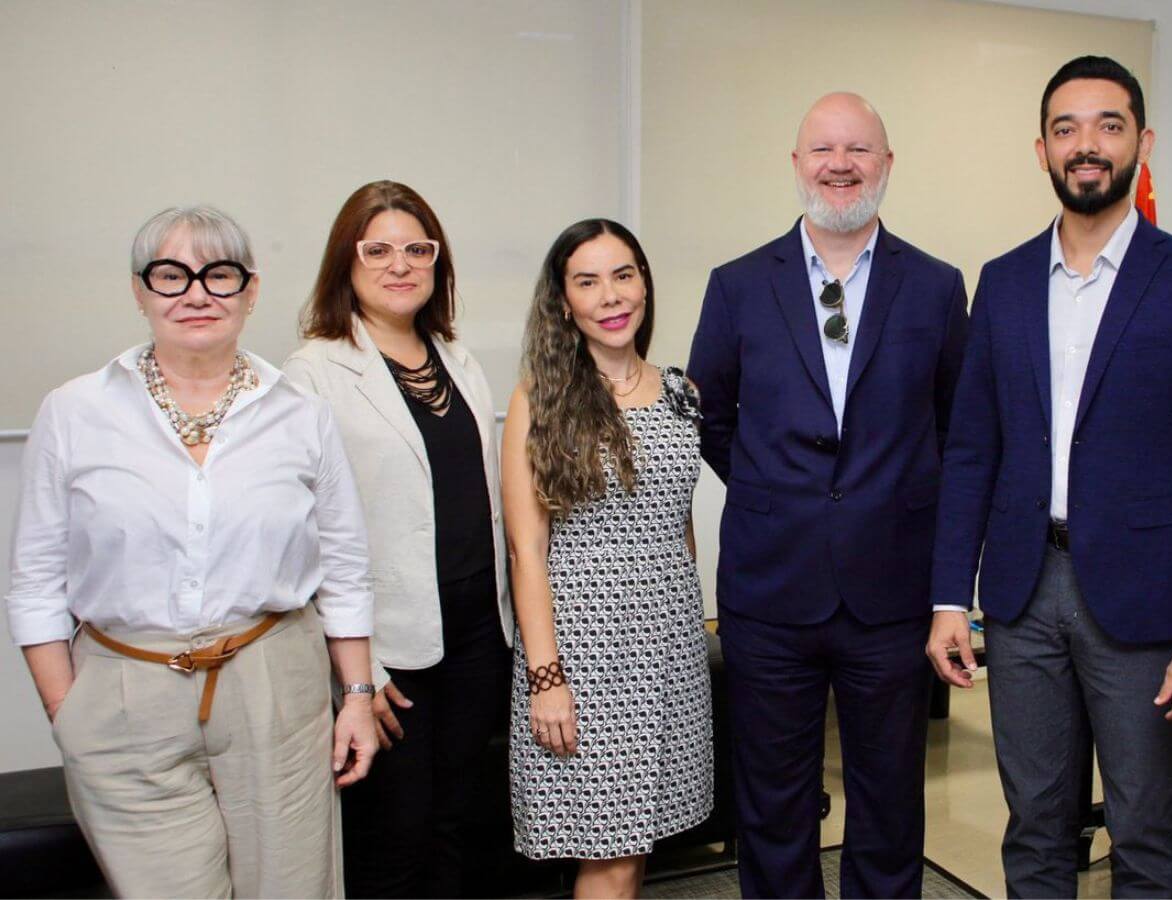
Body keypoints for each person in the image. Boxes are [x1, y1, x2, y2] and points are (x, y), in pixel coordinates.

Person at [927, 56, 1172, 897]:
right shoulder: (1001, 284)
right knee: (1034, 824)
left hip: (1148, 609)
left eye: (1108, 126)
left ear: (1142, 142)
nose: (1087, 146)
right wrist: (946, 600)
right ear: (1040, 148)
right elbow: (972, 452)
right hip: (1021, 592)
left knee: (1146, 833)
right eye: (1067, 129)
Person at [5, 205, 379, 898]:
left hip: (275, 683)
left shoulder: (300, 414)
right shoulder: (76, 410)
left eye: (220, 274)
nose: (197, 293)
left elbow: (346, 567)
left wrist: (356, 695)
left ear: (251, 289)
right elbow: (34, 581)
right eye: (171, 276)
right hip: (124, 685)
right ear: (140, 291)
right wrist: (69, 708)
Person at [688, 92, 970, 899]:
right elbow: (711, 416)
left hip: (892, 596)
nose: (840, 165)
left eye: (858, 149)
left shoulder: (936, 287)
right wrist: (783, 496)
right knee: (773, 805)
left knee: (889, 804)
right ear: (796, 164)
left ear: (886, 163)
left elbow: (958, 431)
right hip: (769, 594)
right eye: (822, 150)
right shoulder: (739, 285)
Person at [283, 180, 512, 898]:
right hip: (389, 648)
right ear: (344, 264)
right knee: (395, 835)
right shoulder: (313, 370)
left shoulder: (458, 357)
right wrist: (360, 669)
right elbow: (305, 533)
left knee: (460, 824)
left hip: (477, 632)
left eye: (418, 248)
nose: (400, 263)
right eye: (377, 249)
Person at [502, 218, 712, 899]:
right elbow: (526, 550)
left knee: (638, 842)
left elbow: (678, 525)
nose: (610, 295)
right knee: (609, 855)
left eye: (623, 274)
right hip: (586, 659)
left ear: (644, 282)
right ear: (564, 303)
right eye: (587, 282)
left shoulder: (683, 393)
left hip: (670, 650)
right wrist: (545, 677)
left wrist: (696, 626)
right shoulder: (540, 402)